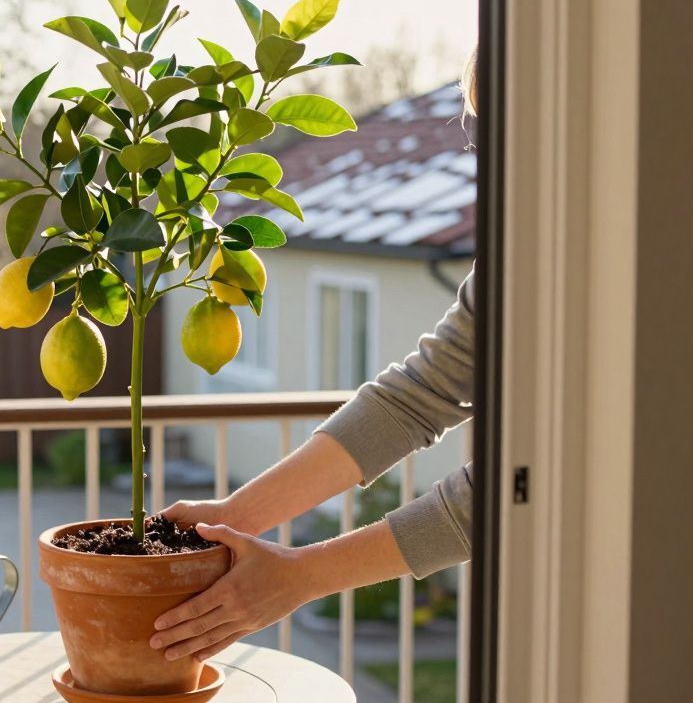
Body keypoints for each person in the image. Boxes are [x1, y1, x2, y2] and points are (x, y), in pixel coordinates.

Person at [150, 53, 481, 664]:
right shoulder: (519, 258)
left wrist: (301, 574)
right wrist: (235, 517)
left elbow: (508, 488)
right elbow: (418, 397)